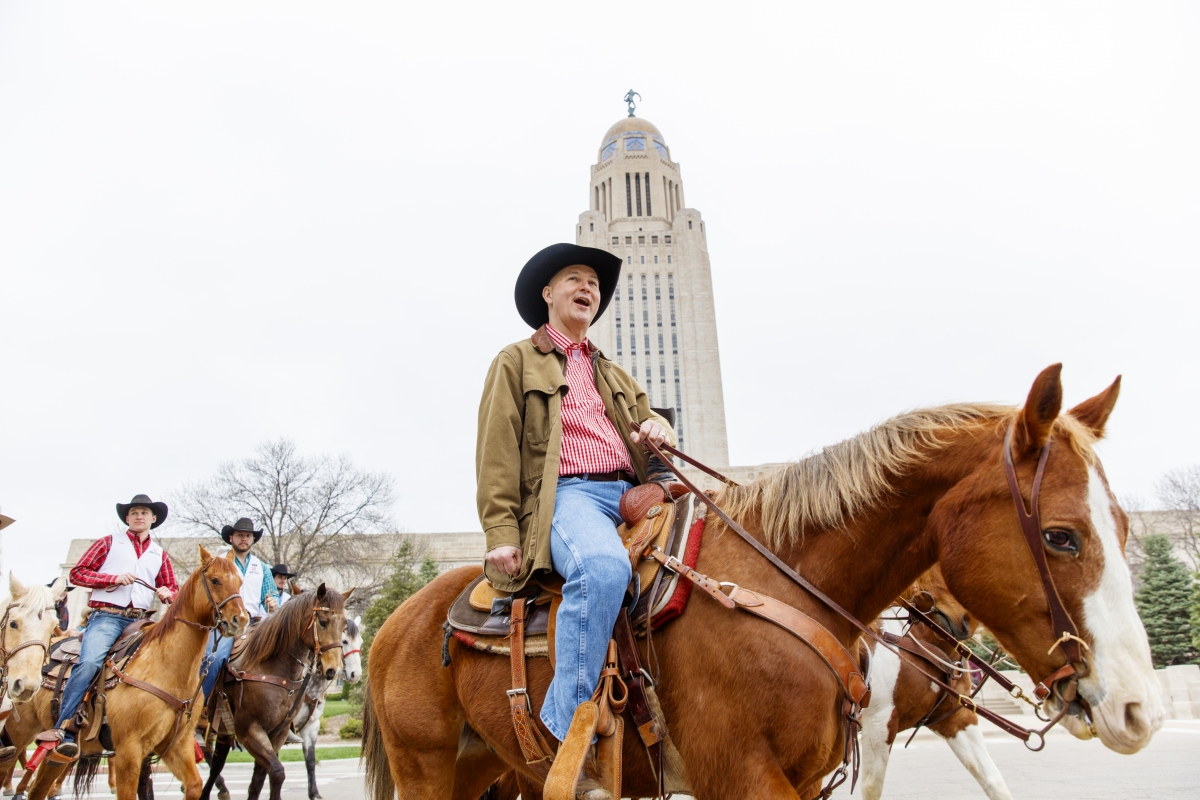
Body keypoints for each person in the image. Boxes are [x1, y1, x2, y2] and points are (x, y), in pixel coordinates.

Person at [477, 243, 673, 799]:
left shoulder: (608, 369)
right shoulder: (516, 361)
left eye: (594, 283)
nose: (588, 288)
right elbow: (496, 454)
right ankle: (566, 730)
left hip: (633, 493)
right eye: (575, 279)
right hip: (569, 497)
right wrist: (501, 534)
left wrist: (658, 425)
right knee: (604, 569)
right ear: (548, 293)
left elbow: (648, 415)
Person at [35, 494, 178, 759]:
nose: (139, 516)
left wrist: (168, 592)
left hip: (142, 620)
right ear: (127, 517)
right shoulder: (109, 543)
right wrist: (111, 578)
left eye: (144, 513)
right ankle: (64, 727)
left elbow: (173, 588)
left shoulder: (160, 554)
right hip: (107, 617)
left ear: (153, 519)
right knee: (89, 663)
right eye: (134, 512)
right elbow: (78, 573)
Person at [200, 517, 279, 700]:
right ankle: (201, 705)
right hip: (224, 624)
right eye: (239, 535)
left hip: (254, 624)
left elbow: (272, 594)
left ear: (253, 540)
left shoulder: (262, 568)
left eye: (248, 536)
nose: (244, 539)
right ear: (231, 538)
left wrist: (273, 601)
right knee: (214, 658)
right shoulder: (217, 563)